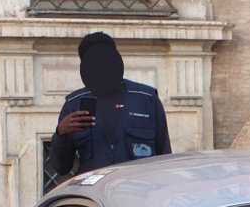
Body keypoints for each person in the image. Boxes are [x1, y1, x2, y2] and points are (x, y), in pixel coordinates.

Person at [48, 32, 171, 183]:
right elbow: (61, 168)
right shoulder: (73, 104)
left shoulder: (146, 99)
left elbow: (165, 158)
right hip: (95, 199)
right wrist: (61, 134)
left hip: (139, 196)